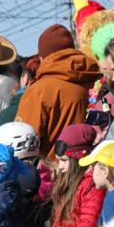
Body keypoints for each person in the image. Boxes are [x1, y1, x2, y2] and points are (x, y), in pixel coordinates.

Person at [15, 25, 98, 155]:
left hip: (50, 165)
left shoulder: (39, 90)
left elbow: (23, 140)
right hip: (88, 162)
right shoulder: (94, 81)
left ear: (43, 57)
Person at [44, 125, 107, 227]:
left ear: (80, 157)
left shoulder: (93, 186)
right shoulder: (69, 179)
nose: (60, 166)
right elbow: (62, 222)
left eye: (64, 160)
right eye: (58, 160)